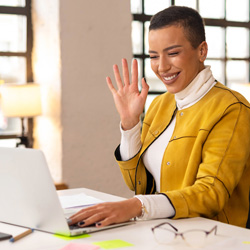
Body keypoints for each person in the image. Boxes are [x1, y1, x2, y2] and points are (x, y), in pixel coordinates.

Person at [69, 6, 250, 228]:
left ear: (202, 50)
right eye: (154, 56)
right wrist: (130, 123)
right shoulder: (159, 104)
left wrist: (136, 206)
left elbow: (211, 193)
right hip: (160, 233)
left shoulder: (232, 109)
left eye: (173, 53)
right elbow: (136, 182)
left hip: (210, 237)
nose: (162, 67)